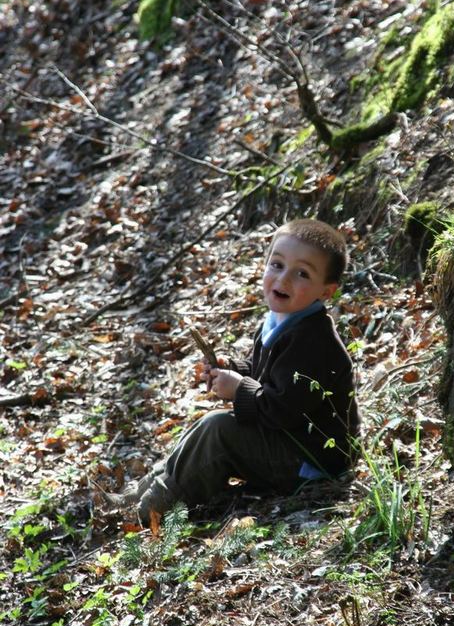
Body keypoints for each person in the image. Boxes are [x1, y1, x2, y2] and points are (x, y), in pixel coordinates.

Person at [132, 218, 360, 526]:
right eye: (277, 265)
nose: (284, 279)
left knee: (218, 430)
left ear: (326, 292)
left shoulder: (313, 342)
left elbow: (282, 410)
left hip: (312, 460)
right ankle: (146, 490)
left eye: (302, 273)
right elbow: (265, 372)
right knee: (206, 426)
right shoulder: (282, 320)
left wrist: (239, 389)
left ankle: (155, 510)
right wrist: (233, 368)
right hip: (285, 442)